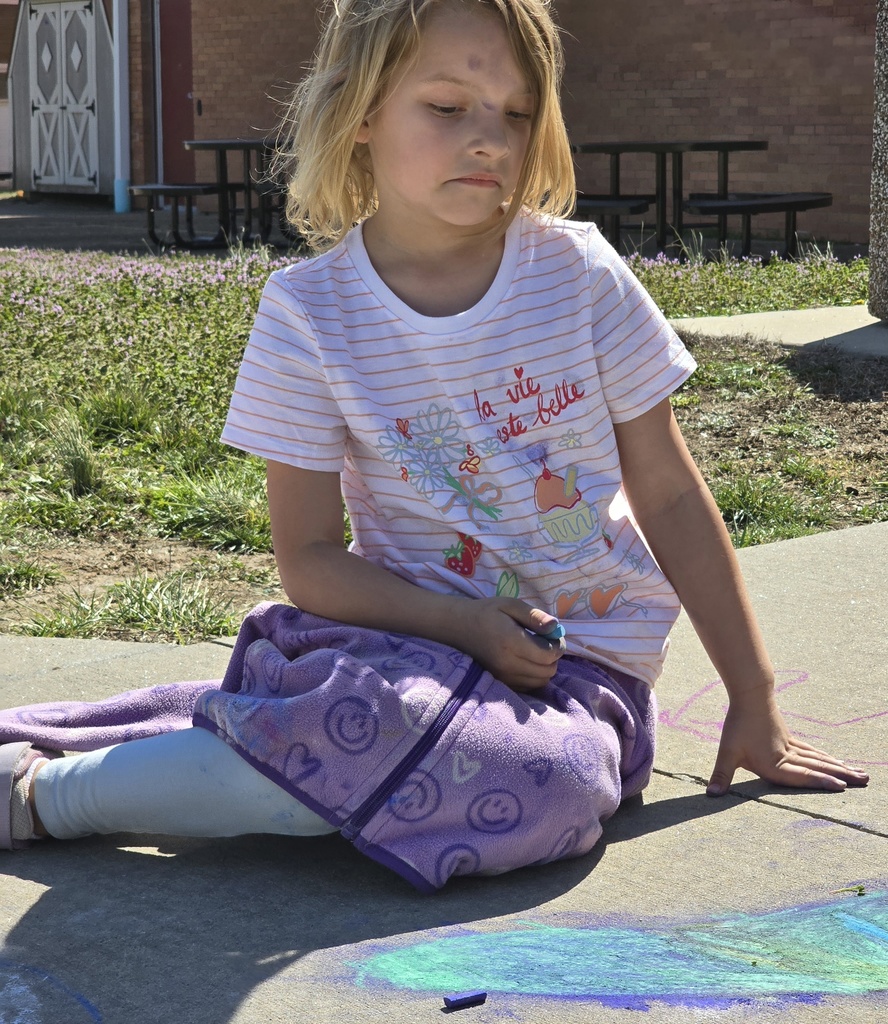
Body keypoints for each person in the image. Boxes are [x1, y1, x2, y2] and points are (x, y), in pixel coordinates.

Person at [2, 0, 868, 881]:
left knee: (551, 779)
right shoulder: (309, 313)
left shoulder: (578, 275)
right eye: (448, 107)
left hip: (579, 675)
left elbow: (671, 492)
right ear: (362, 109)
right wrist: (462, 625)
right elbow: (308, 559)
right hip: (396, 650)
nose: (490, 137)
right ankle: (45, 797)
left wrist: (753, 699)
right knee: (372, 723)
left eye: (517, 112)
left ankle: (245, 738)